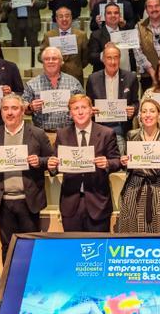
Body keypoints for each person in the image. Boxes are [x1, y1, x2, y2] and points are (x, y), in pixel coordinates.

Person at [0, 94, 53, 261]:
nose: (9, 113)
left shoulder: (37, 134)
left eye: (14, 108)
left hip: (29, 201)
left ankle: (31, 287)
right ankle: (10, 287)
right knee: (8, 248)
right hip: (3, 203)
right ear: (1, 112)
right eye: (5, 109)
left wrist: (39, 161)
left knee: (30, 248)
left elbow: (53, 162)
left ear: (23, 111)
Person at [51, 94, 120, 231]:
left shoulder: (106, 133)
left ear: (91, 110)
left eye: (84, 107)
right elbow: (55, 164)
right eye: (76, 108)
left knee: (98, 249)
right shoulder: (62, 134)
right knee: (73, 249)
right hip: (70, 203)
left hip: (98, 202)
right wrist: (52, 165)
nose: (80, 112)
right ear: (70, 113)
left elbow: (117, 161)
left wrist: (107, 163)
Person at [116, 99, 160, 233]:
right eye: (144, 111)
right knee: (132, 229)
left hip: (158, 188)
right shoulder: (131, 135)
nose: (148, 115)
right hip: (134, 187)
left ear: (159, 115)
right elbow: (128, 167)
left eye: (152, 111)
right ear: (140, 116)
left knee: (159, 231)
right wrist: (124, 162)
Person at [86, 44, 139, 150]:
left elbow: (136, 102)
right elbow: (87, 104)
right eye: (109, 58)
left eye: (116, 58)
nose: (113, 62)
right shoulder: (93, 79)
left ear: (120, 59)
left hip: (121, 127)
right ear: (103, 60)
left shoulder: (131, 77)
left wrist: (133, 110)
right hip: (99, 126)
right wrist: (90, 110)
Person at [23, 46, 85, 133]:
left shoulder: (74, 82)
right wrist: (30, 107)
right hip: (42, 135)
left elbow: (83, 105)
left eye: (54, 58)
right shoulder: (32, 84)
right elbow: (22, 108)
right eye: (47, 59)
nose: (50, 61)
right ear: (43, 62)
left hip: (69, 134)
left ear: (61, 62)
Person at [38, 6, 89, 84]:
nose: (64, 19)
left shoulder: (81, 35)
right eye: (61, 16)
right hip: (53, 77)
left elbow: (86, 58)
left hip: (75, 77)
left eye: (67, 16)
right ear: (57, 19)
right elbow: (40, 57)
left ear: (71, 18)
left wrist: (75, 67)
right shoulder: (49, 35)